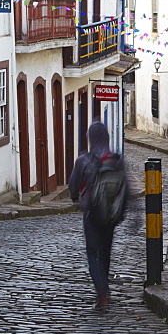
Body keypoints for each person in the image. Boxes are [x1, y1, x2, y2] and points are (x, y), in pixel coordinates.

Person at [68, 121, 126, 309]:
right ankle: (104, 289)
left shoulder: (83, 160)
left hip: (92, 213)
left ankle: (102, 293)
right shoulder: (116, 160)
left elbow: (73, 188)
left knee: (93, 253)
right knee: (106, 251)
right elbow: (126, 190)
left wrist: (77, 197)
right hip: (111, 215)